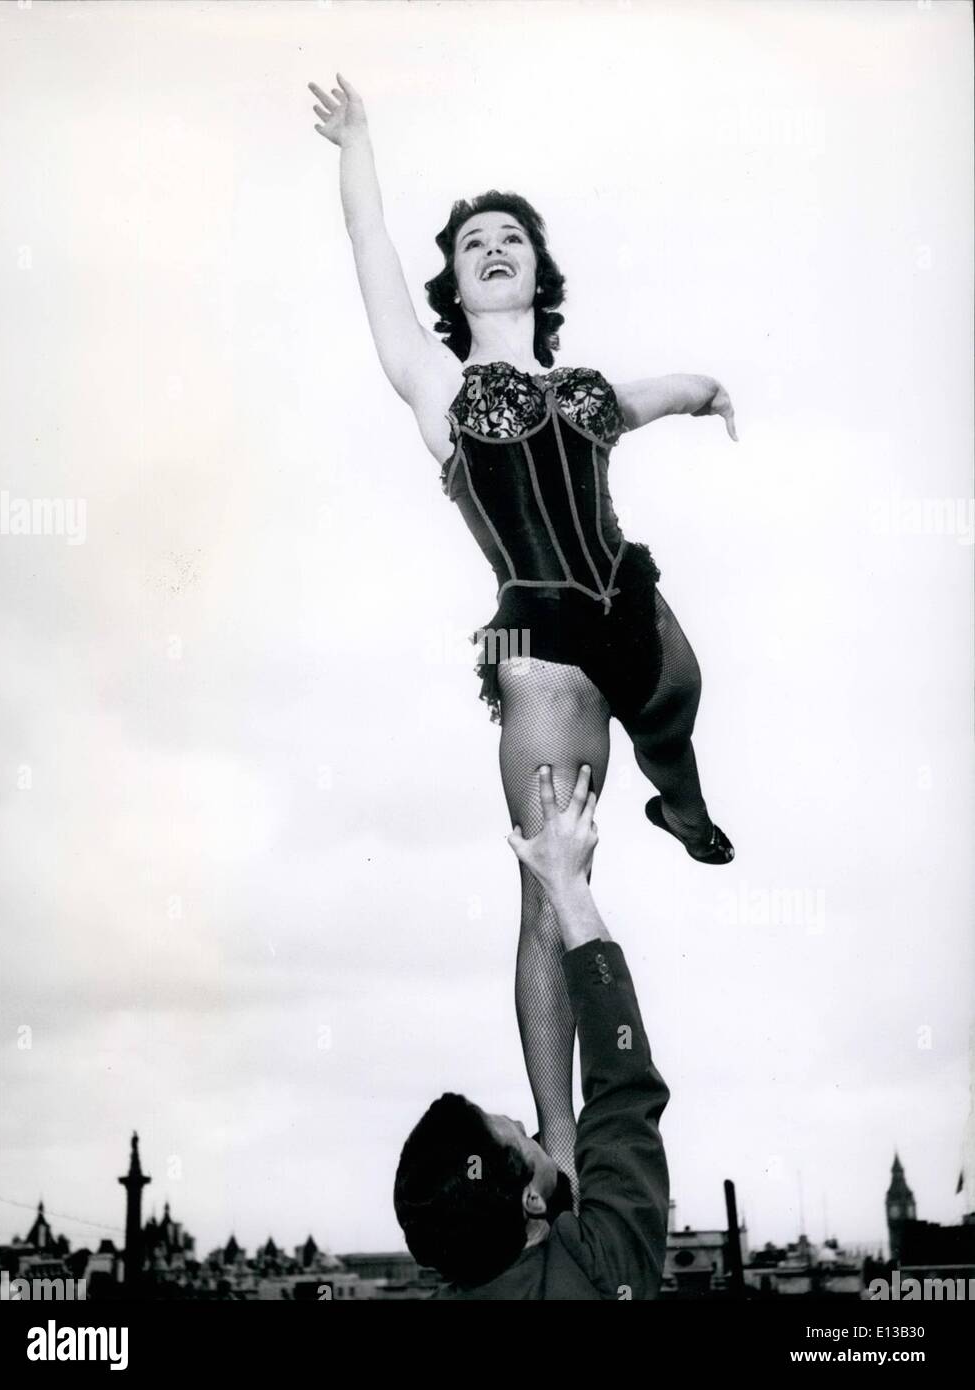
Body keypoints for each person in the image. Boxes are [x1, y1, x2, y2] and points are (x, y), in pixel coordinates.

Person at [310, 72, 734, 1198]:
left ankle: (678, 794)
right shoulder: (435, 381)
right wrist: (357, 141)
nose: (492, 248)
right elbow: (368, 254)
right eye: (471, 244)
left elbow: (642, 398)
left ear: (540, 271)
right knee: (551, 877)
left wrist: (704, 388)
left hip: (628, 604)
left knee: (681, 695)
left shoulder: (583, 390)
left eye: (511, 238)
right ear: (452, 281)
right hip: (538, 639)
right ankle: (557, 1129)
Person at [394, 763, 670, 1299]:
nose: (526, 1122)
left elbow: (624, 1091)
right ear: (531, 1202)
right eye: (519, 1135)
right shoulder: (597, 1275)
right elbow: (624, 1085)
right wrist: (568, 886)